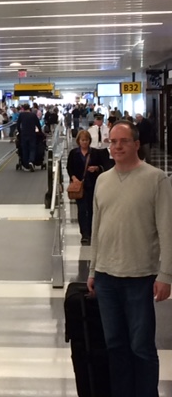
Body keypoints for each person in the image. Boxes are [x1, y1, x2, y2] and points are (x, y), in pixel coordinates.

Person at [87, 121, 172, 397]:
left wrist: (165, 275)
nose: (117, 146)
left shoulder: (155, 178)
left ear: (137, 144)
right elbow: (97, 230)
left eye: (123, 141)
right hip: (106, 276)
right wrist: (92, 270)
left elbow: (167, 229)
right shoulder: (102, 180)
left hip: (140, 276)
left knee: (141, 347)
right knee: (115, 345)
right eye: (113, 142)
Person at [66, 130, 104, 245]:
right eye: (82, 140)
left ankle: (92, 232)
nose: (84, 142)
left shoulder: (95, 153)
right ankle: (84, 234)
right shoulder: (74, 153)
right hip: (80, 187)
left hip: (92, 185)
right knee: (82, 210)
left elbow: (102, 166)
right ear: (78, 141)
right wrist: (73, 178)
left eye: (86, 140)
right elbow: (69, 167)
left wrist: (96, 168)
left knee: (92, 209)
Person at [16, 103, 41, 171]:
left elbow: (18, 124)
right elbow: (38, 124)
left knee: (25, 149)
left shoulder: (21, 115)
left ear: (23, 108)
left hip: (24, 134)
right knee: (32, 148)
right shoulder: (33, 115)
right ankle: (31, 161)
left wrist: (20, 132)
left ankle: (26, 165)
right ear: (29, 108)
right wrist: (40, 132)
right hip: (32, 134)